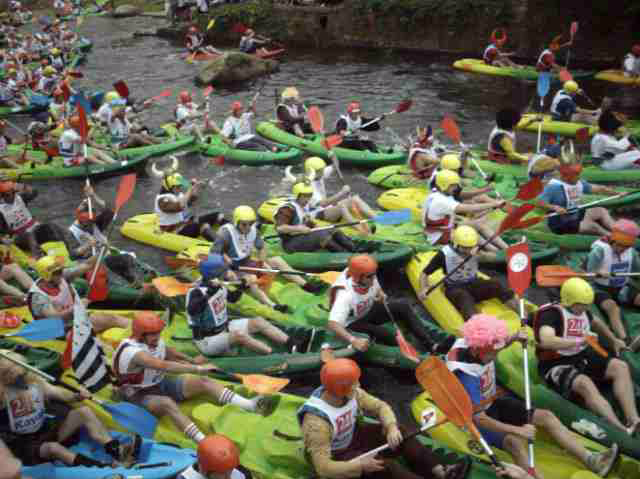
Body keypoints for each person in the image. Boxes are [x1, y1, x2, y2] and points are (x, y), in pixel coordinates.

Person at [448, 314, 619, 478]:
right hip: (476, 419)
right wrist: (518, 430)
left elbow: (496, 344)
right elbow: (479, 418)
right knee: (515, 443)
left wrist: (514, 337)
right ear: (478, 350)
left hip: (492, 401)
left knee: (546, 417)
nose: (496, 354)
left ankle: (592, 460)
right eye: (493, 352)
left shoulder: (479, 344)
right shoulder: (466, 375)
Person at [113, 311, 278, 444]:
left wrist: (191, 360)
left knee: (204, 382)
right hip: (137, 395)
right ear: (141, 335)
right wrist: (198, 368)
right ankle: (204, 442)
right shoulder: (133, 352)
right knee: (167, 403)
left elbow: (168, 351)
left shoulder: (153, 341)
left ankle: (249, 405)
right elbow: (163, 365)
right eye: (153, 334)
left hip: (159, 383)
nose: (158, 336)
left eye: (159, 333)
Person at [298, 358, 471, 479]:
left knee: (402, 432)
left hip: (354, 437)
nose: (359, 386)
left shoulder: (352, 393)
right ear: (340, 389)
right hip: (337, 455)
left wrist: (391, 427)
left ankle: (440, 471)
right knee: (383, 466)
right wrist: (359, 466)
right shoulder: (316, 423)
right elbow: (324, 468)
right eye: (354, 383)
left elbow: (380, 407)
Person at [534, 277, 640, 436]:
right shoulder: (551, 314)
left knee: (620, 366)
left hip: (580, 356)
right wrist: (578, 341)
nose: (586, 308)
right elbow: (547, 340)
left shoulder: (581, 310)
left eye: (587, 304)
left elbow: (595, 321)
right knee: (585, 383)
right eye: (582, 305)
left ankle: (633, 419)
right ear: (570, 301)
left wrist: (613, 340)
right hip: (554, 363)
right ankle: (621, 430)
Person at [0, 349, 141, 468]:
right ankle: (101, 468)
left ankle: (117, 450)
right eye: (10, 374)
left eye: (21, 373)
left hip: (44, 431)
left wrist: (76, 396)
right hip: (23, 445)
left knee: (84, 412)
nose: (19, 378)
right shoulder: (3, 394)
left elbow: (59, 393)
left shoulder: (35, 381)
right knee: (53, 448)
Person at [186, 254, 311, 356]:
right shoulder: (196, 291)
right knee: (240, 336)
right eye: (224, 270)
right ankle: (274, 356)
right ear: (214, 273)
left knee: (259, 322)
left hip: (225, 328)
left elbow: (234, 298)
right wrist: (210, 292)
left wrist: (242, 285)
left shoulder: (220, 284)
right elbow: (193, 310)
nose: (227, 272)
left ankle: (293, 344)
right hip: (208, 340)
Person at [213, 205, 324, 307]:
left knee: (277, 261)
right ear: (236, 222)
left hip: (246, 262)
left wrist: (262, 262)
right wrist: (227, 265)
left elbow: (262, 248)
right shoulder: (225, 234)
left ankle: (306, 285)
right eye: (244, 224)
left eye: (250, 224)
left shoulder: (252, 231)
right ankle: (272, 305)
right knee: (251, 278)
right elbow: (215, 255)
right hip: (232, 267)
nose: (247, 227)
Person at [327, 254, 434, 352]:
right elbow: (333, 324)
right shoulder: (345, 295)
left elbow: (375, 284)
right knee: (383, 333)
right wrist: (353, 340)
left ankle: (430, 343)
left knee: (402, 305)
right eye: (370, 276)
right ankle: (408, 352)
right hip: (353, 322)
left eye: (374, 273)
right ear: (359, 278)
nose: (374, 278)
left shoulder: (367, 275)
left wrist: (380, 292)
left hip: (368, 308)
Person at [418, 225, 519, 320]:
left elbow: (492, 258)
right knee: (464, 297)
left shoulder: (476, 250)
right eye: (465, 247)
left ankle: (522, 315)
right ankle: (476, 324)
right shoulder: (444, 254)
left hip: (473, 283)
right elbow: (425, 273)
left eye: (471, 247)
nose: (468, 250)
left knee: (496, 284)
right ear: (456, 244)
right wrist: (423, 288)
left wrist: (481, 255)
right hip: (454, 288)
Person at [27, 255, 129, 333]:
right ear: (47, 276)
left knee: (109, 319)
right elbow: (55, 318)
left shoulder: (61, 276)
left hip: (74, 317)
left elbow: (87, 265)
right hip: (58, 329)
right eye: (57, 273)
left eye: (61, 270)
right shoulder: (38, 296)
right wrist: (76, 307)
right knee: (111, 319)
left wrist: (101, 252)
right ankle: (134, 330)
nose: (61, 274)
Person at [67, 184, 142, 286]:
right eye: (88, 223)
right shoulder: (72, 232)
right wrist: (87, 246)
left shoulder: (94, 222)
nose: (91, 225)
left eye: (92, 221)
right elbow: (72, 256)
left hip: (105, 255)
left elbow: (110, 210)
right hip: (88, 264)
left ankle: (134, 281)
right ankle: (127, 282)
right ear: (81, 220)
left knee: (125, 259)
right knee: (114, 261)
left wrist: (93, 195)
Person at [585, 218, 640, 352]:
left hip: (621, 287)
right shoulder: (599, 250)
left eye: (626, 246)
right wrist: (597, 273)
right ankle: (626, 341)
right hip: (599, 288)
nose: (622, 249)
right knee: (612, 307)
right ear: (613, 240)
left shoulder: (631, 252)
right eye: (620, 245)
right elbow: (587, 274)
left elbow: (637, 272)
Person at [422, 170, 507, 250]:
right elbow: (471, 209)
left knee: (478, 225)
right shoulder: (441, 201)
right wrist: (494, 204)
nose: (456, 188)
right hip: (439, 237)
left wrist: (492, 206)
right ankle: (498, 251)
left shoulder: (437, 193)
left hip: (441, 229)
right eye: (453, 185)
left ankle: (506, 248)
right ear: (444, 185)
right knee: (471, 235)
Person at [274, 182, 364, 254]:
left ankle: (353, 248)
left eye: (309, 196)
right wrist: (298, 228)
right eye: (305, 196)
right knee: (322, 236)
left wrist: (316, 227)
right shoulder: (287, 209)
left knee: (331, 229)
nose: (307, 199)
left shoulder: (304, 206)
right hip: (290, 243)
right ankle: (344, 253)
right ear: (298, 196)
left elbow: (306, 221)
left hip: (301, 236)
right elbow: (280, 228)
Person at [537, 158, 618, 236]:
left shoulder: (578, 182)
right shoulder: (553, 187)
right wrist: (555, 207)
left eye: (578, 174)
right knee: (593, 226)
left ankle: (617, 229)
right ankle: (613, 237)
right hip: (561, 223)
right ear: (566, 176)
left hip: (576, 215)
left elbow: (598, 188)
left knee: (600, 210)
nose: (579, 176)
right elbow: (539, 202)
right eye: (576, 174)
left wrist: (617, 193)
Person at [302, 155, 376, 235]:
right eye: (321, 170)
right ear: (314, 172)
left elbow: (335, 166)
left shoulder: (318, 174)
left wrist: (333, 155)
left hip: (327, 208)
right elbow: (323, 203)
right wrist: (342, 193)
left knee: (354, 198)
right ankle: (362, 230)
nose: (323, 172)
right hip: (317, 213)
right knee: (341, 206)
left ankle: (376, 218)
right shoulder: (308, 186)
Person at [0, 180, 66, 258]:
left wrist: (22, 186)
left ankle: (67, 250)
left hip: (34, 228)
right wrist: (6, 236)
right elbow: (2, 232)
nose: (12, 196)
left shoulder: (20, 197)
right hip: (18, 236)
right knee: (29, 234)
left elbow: (34, 192)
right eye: (7, 195)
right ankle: (38, 258)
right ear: (2, 195)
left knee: (50, 226)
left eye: (13, 193)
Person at [154, 171, 225, 241]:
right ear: (170, 187)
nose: (180, 188)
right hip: (176, 230)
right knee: (203, 225)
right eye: (178, 186)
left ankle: (230, 231)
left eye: (180, 186)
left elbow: (192, 200)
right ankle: (220, 244)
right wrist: (190, 188)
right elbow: (180, 206)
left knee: (217, 215)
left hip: (187, 223)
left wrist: (197, 187)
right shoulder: (162, 200)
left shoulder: (177, 194)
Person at [178, 434, 253, 479]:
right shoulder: (186, 477)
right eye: (223, 474)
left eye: (230, 470)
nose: (229, 477)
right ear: (204, 471)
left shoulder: (242, 473)